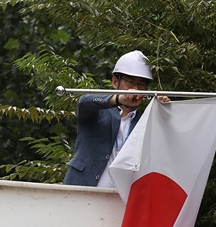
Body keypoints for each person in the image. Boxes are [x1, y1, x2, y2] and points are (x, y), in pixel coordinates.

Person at [63, 50, 169, 187]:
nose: (135, 89)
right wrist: (119, 98)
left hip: (120, 198)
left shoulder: (145, 121)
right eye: (130, 82)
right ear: (114, 82)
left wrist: (164, 111)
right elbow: (84, 102)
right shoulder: (97, 112)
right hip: (81, 190)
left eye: (141, 84)